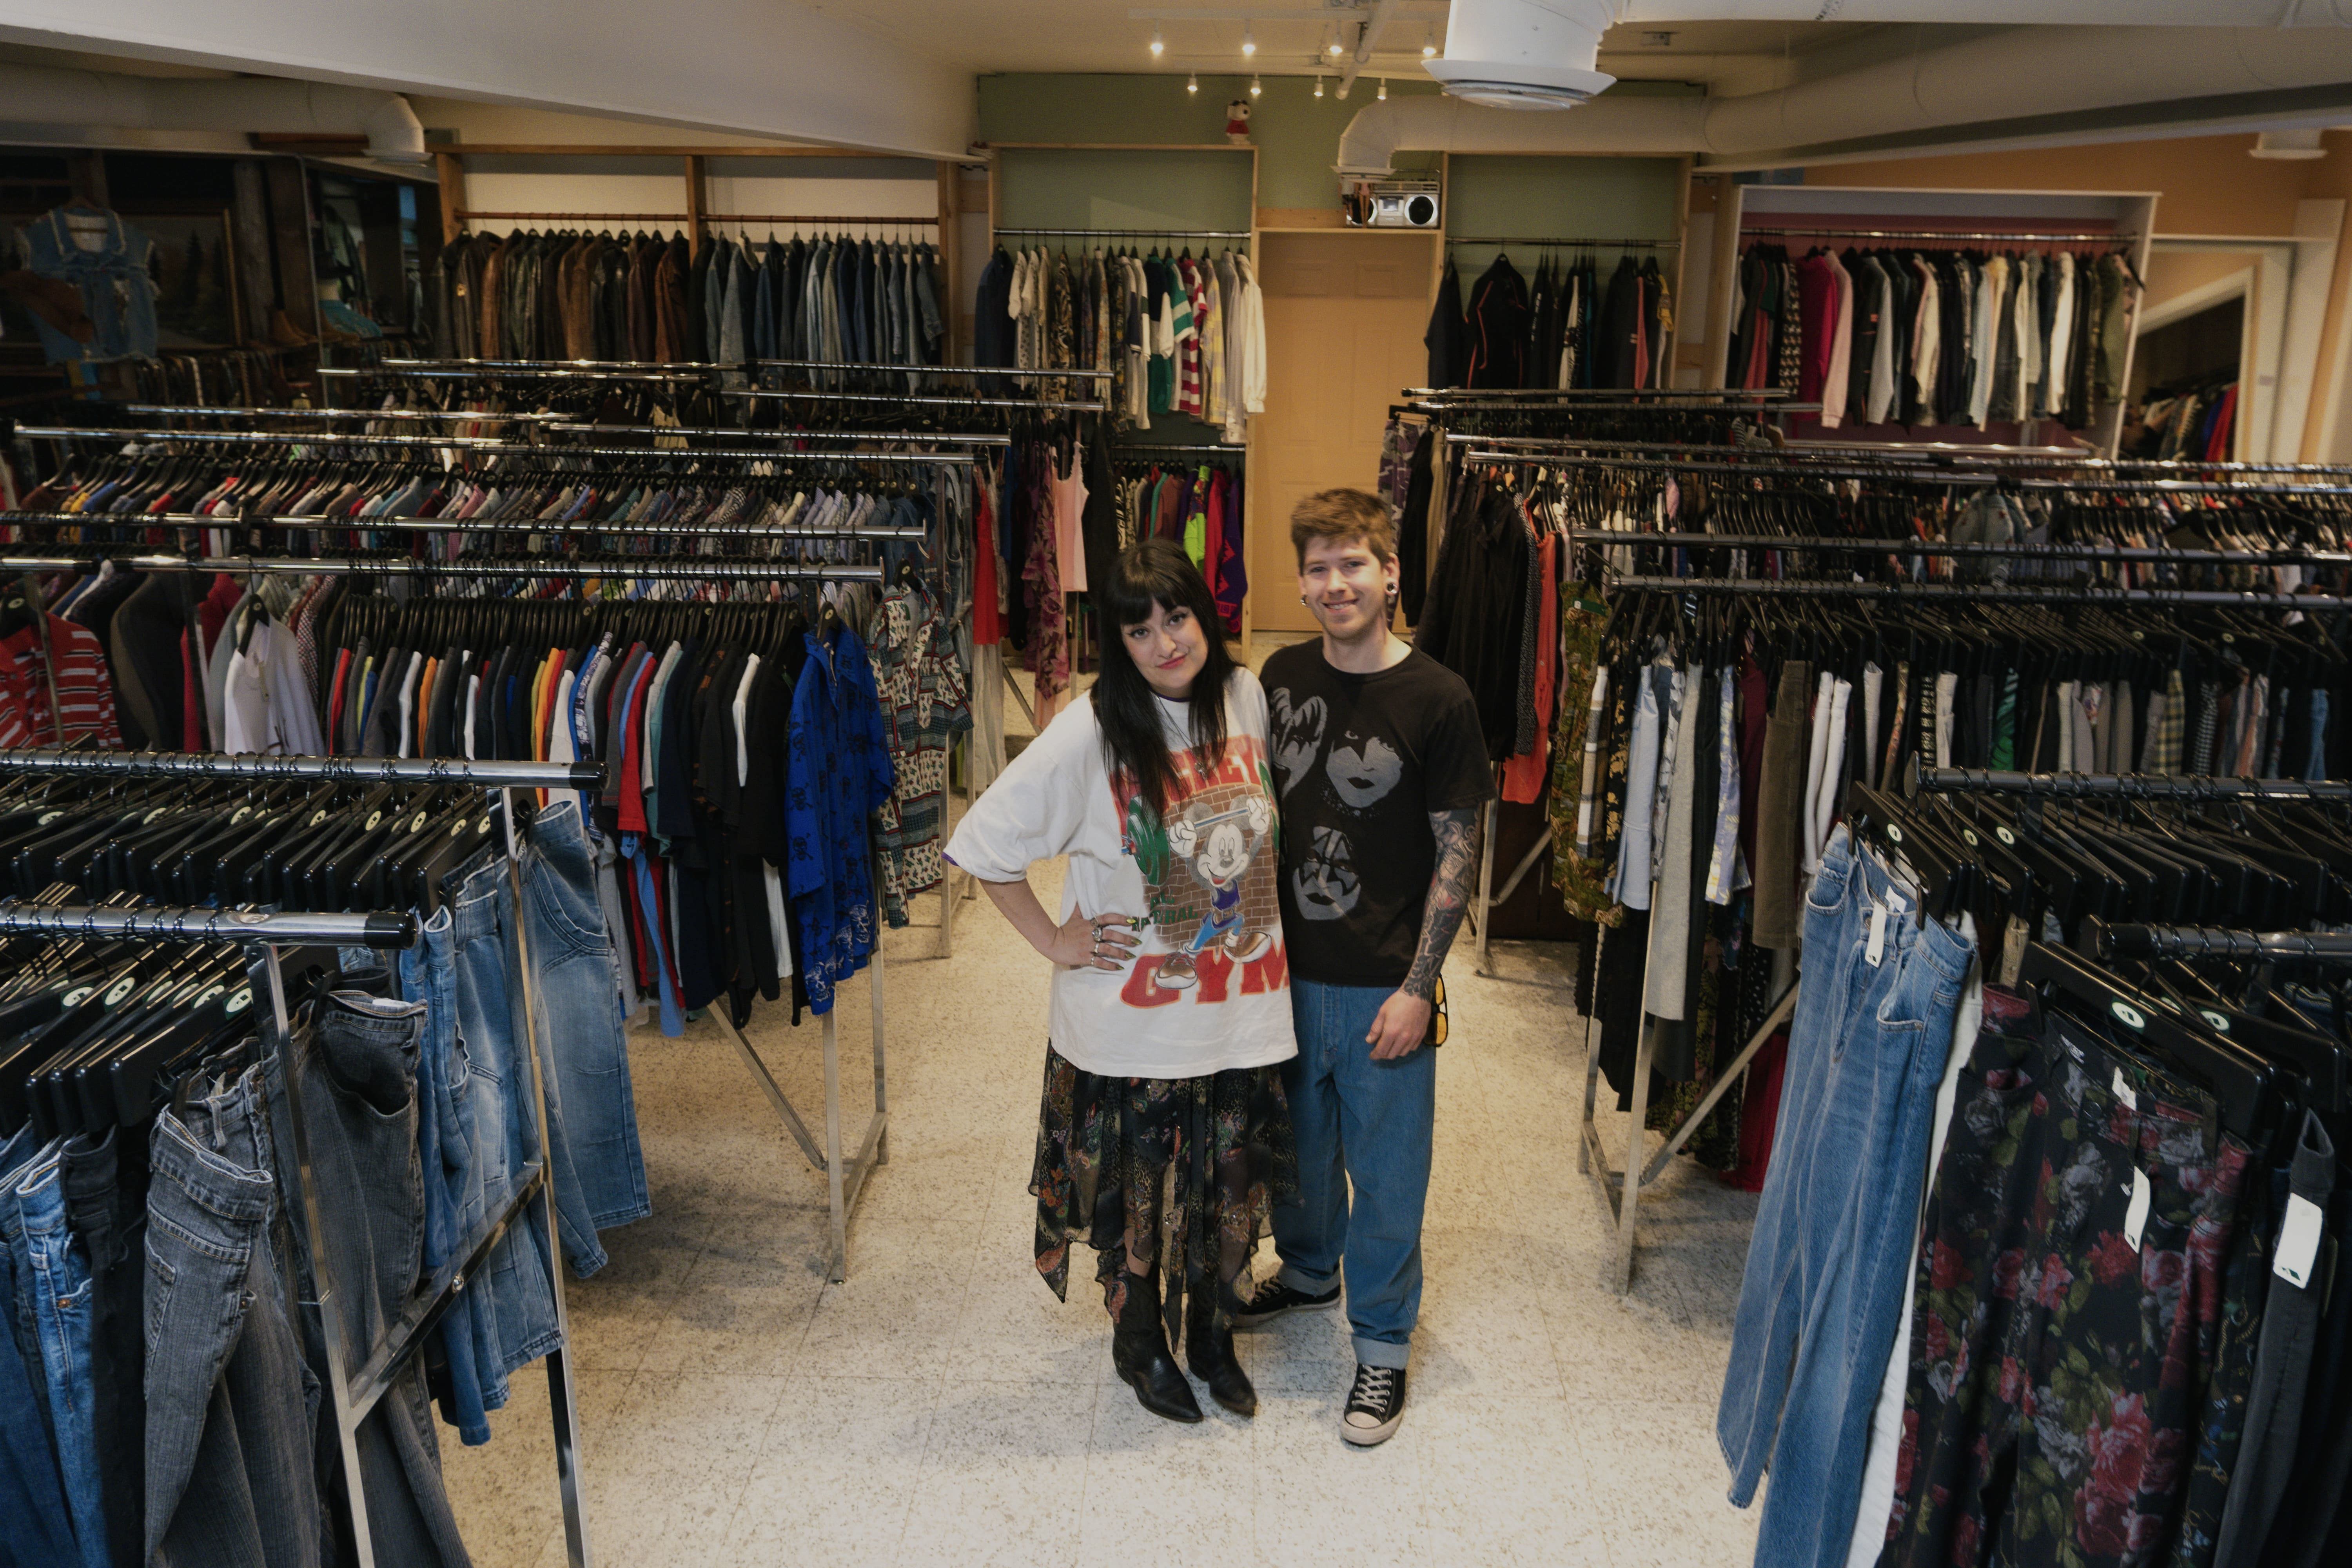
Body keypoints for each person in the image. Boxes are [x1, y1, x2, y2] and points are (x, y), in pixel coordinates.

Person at [944, 539, 1297, 1425]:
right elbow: (983, 842)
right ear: (1118, 641)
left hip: (1241, 1015)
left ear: (1204, 616)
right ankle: (1139, 1343)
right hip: (1134, 1031)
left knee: (1226, 1195)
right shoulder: (1090, 731)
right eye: (1140, 630)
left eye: (1177, 618)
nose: (1166, 643)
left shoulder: (1245, 695)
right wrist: (1054, 938)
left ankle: (1211, 1337)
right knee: (1142, 1208)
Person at [1240, 487, 1491, 1446]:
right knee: (1301, 1150)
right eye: (1318, 567)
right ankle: (1310, 1271)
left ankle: (1381, 1342)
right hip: (1284, 975)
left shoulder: (1440, 698)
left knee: (1388, 1175)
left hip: (1386, 983)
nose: (1335, 582)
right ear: (1301, 582)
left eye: (1354, 563)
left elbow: (1458, 850)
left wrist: (1419, 988)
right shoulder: (1279, 676)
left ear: (1390, 574)